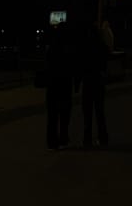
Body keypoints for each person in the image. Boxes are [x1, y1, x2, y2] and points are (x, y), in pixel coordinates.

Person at [75, 21, 110, 148]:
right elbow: (107, 57)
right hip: (98, 82)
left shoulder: (84, 47)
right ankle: (103, 138)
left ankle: (87, 139)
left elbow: (79, 66)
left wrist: (77, 84)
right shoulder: (101, 46)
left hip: (88, 82)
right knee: (100, 112)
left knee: (87, 114)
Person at [44, 22, 75, 150]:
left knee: (52, 116)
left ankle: (52, 141)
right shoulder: (68, 49)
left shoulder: (51, 47)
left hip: (52, 85)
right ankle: (63, 138)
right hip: (65, 84)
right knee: (64, 114)